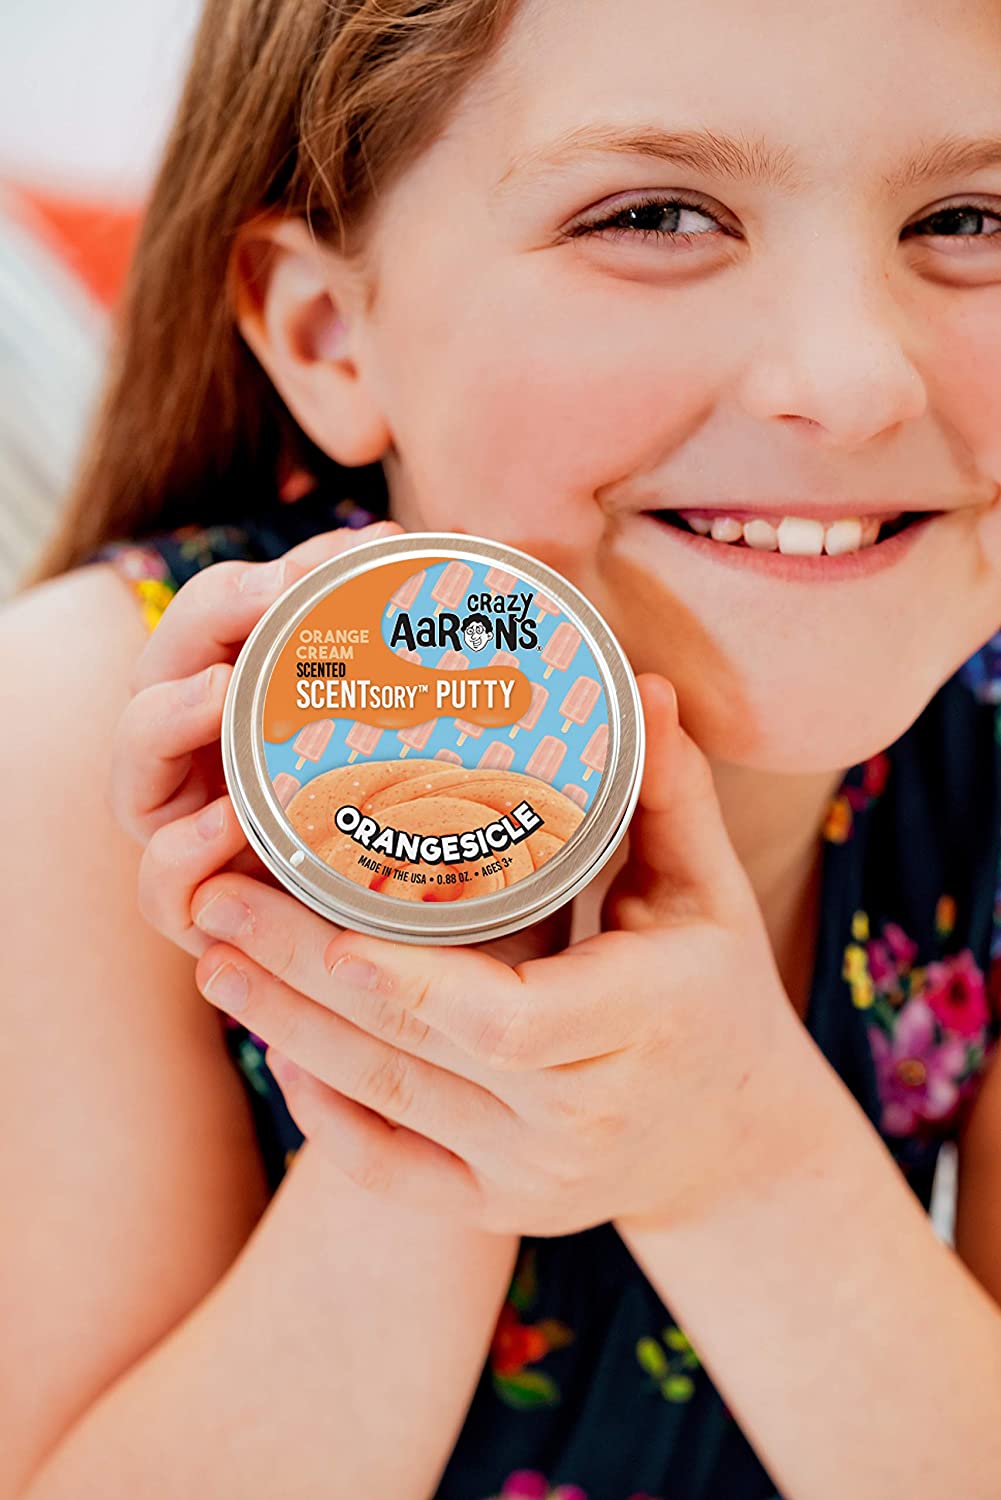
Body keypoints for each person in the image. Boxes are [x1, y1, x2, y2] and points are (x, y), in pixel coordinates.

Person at [3, 0, 1001, 1495]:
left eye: (971, 217)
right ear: (330, 333)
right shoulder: (87, 731)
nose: (851, 380)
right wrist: (446, 1056)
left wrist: (730, 1147)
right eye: (653, 214)